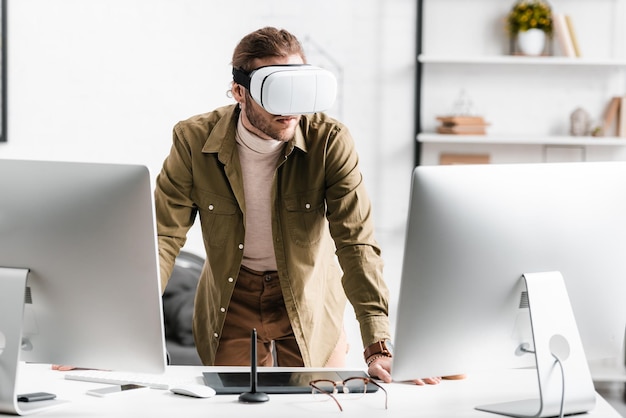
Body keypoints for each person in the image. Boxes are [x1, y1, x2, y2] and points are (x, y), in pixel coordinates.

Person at [154, 26, 440, 385]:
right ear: (240, 92)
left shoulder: (330, 142)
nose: (290, 110)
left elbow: (356, 243)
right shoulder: (193, 141)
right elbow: (162, 236)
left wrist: (379, 345)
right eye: (276, 92)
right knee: (237, 404)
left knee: (317, 398)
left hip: (308, 297)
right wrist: (117, 340)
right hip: (232, 298)